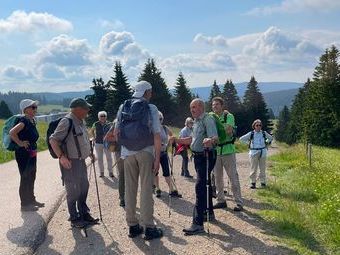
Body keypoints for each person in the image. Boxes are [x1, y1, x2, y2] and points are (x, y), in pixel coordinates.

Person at [115, 81, 163, 240]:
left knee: (130, 189)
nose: (151, 94)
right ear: (146, 93)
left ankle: (133, 226)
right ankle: (149, 227)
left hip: (127, 154)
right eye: (150, 91)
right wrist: (157, 158)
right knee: (146, 189)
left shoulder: (123, 107)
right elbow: (157, 134)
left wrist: (126, 148)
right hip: (146, 152)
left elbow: (116, 133)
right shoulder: (151, 108)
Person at [170, 98, 218, 235]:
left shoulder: (207, 119)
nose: (192, 110)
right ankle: (208, 213)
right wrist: (176, 140)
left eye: (195, 107)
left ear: (202, 107)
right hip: (198, 157)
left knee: (200, 187)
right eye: (191, 107)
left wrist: (210, 140)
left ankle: (197, 224)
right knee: (205, 184)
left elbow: (215, 138)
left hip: (206, 156)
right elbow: (191, 140)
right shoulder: (196, 122)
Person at [49, 98, 98, 228]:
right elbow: (53, 140)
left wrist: (90, 153)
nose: (88, 110)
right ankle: (74, 217)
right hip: (71, 162)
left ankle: (83, 213)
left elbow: (84, 140)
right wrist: (61, 157)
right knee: (73, 190)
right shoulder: (67, 121)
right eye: (86, 108)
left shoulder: (81, 121)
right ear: (77, 109)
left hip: (81, 161)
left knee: (84, 187)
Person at [9, 99, 45, 211]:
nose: (35, 109)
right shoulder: (23, 120)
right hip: (23, 153)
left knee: (32, 175)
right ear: (26, 109)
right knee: (25, 177)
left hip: (31, 151)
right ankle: (25, 204)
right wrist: (20, 143)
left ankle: (31, 199)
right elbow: (12, 132)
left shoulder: (31, 120)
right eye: (33, 107)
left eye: (35, 107)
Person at [211, 97, 243, 211]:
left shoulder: (229, 116)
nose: (215, 106)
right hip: (216, 151)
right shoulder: (211, 117)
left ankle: (238, 202)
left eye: (217, 104)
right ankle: (221, 201)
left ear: (222, 105)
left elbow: (229, 130)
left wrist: (215, 131)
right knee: (217, 178)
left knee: (233, 177)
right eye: (213, 105)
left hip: (228, 150)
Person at [153, 111, 182, 198]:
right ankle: (157, 189)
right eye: (157, 119)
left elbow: (171, 134)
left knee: (167, 172)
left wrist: (170, 141)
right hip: (154, 154)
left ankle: (172, 190)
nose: (159, 120)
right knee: (155, 172)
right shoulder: (152, 129)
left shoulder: (165, 128)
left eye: (160, 119)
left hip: (164, 153)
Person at [239, 119, 273, 189]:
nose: (258, 127)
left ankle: (263, 183)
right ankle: (253, 183)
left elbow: (271, 138)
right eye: (257, 125)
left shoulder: (264, 133)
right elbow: (241, 139)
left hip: (263, 152)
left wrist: (266, 142)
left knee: (262, 168)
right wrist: (248, 144)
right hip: (253, 153)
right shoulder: (251, 133)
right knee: (253, 168)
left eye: (260, 125)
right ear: (254, 126)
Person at [104, 119, 125, 207]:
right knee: (122, 175)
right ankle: (122, 198)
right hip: (120, 153)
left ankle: (130, 197)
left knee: (132, 176)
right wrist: (119, 139)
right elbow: (107, 137)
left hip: (133, 153)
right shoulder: (117, 122)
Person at [90, 111, 113, 178]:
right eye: (101, 116)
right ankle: (101, 172)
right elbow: (91, 131)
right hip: (98, 143)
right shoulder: (95, 123)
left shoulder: (109, 123)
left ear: (106, 117)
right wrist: (94, 137)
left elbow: (113, 131)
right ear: (99, 117)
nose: (103, 117)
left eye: (104, 116)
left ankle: (110, 172)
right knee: (100, 159)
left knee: (109, 158)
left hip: (107, 143)